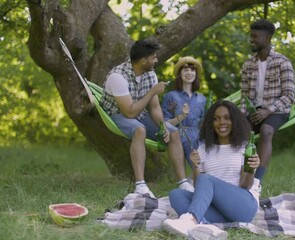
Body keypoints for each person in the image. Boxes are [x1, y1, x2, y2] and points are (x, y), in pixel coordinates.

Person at [100, 38, 194, 199]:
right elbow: (129, 112)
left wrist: (163, 126)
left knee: (173, 132)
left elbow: (155, 108)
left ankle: (183, 182)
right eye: (153, 57)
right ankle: (140, 185)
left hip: (140, 114)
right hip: (117, 114)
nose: (156, 60)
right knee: (139, 130)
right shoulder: (118, 77)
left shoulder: (150, 74)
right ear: (143, 60)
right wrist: (152, 92)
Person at [162, 100, 260, 239]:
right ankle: (208, 228)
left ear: (235, 121)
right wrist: (195, 166)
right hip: (218, 210)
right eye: (216, 119)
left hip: (243, 206)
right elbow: (199, 188)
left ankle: (191, 220)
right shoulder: (203, 149)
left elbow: (245, 185)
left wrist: (251, 170)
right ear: (210, 123)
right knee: (176, 195)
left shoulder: (245, 147)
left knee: (205, 178)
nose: (221, 122)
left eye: (227, 118)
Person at [240, 19, 294, 186]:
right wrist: (240, 117)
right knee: (238, 132)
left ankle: (257, 181)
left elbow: (289, 95)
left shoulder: (282, 62)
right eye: (251, 36)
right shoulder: (248, 64)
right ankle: (239, 175)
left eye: (255, 37)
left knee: (266, 131)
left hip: (278, 111)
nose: (252, 40)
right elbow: (244, 97)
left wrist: (268, 111)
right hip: (255, 111)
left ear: (268, 38)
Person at [161, 56, 206, 170]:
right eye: (185, 70)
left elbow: (205, 123)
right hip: (180, 134)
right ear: (179, 74)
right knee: (192, 144)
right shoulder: (170, 96)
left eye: (192, 70)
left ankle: (195, 178)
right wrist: (182, 116)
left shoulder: (202, 99)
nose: (189, 73)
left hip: (200, 135)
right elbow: (165, 123)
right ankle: (198, 175)